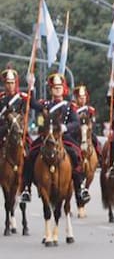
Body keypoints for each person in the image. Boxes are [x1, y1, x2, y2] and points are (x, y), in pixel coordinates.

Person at [20, 72, 90, 207]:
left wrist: (66, 127)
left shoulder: (69, 106)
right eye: (54, 87)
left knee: (75, 156)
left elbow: (76, 123)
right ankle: (27, 188)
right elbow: (32, 103)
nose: (57, 89)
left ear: (63, 88)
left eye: (59, 87)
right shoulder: (45, 104)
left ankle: (79, 188)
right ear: (51, 89)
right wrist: (32, 86)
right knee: (31, 156)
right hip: (46, 138)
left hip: (63, 137)